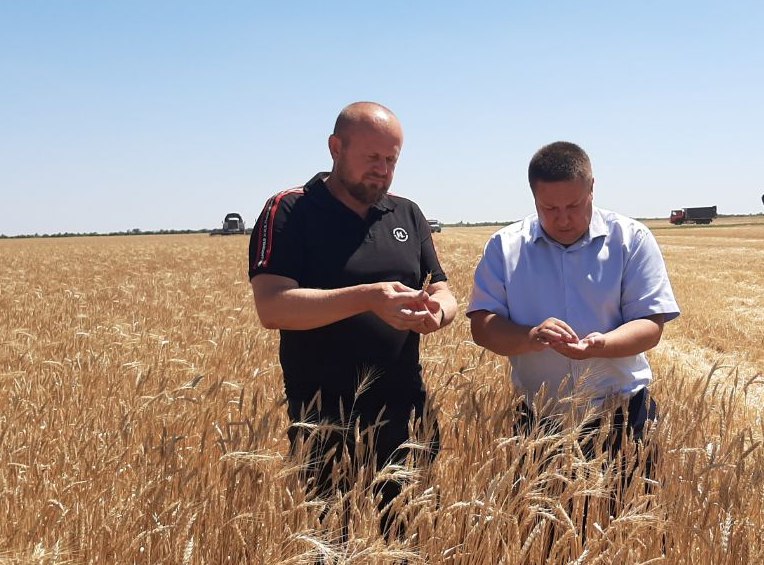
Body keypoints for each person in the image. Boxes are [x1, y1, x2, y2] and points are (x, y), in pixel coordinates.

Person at [249, 101, 457, 539]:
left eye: (391, 160)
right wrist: (369, 297)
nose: (382, 170)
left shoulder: (407, 213)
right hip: (324, 420)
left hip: (406, 413)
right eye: (372, 158)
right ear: (335, 148)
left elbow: (442, 289)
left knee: (408, 539)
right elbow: (272, 306)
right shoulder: (289, 210)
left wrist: (437, 313)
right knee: (331, 542)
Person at [467, 141, 680, 511]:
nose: (563, 218)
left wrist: (600, 344)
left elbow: (651, 324)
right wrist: (529, 336)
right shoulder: (505, 247)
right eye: (549, 208)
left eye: (574, 206)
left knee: (629, 531)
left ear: (592, 188)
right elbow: (483, 325)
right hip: (539, 419)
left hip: (622, 417)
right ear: (533, 197)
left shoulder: (632, 240)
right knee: (544, 536)